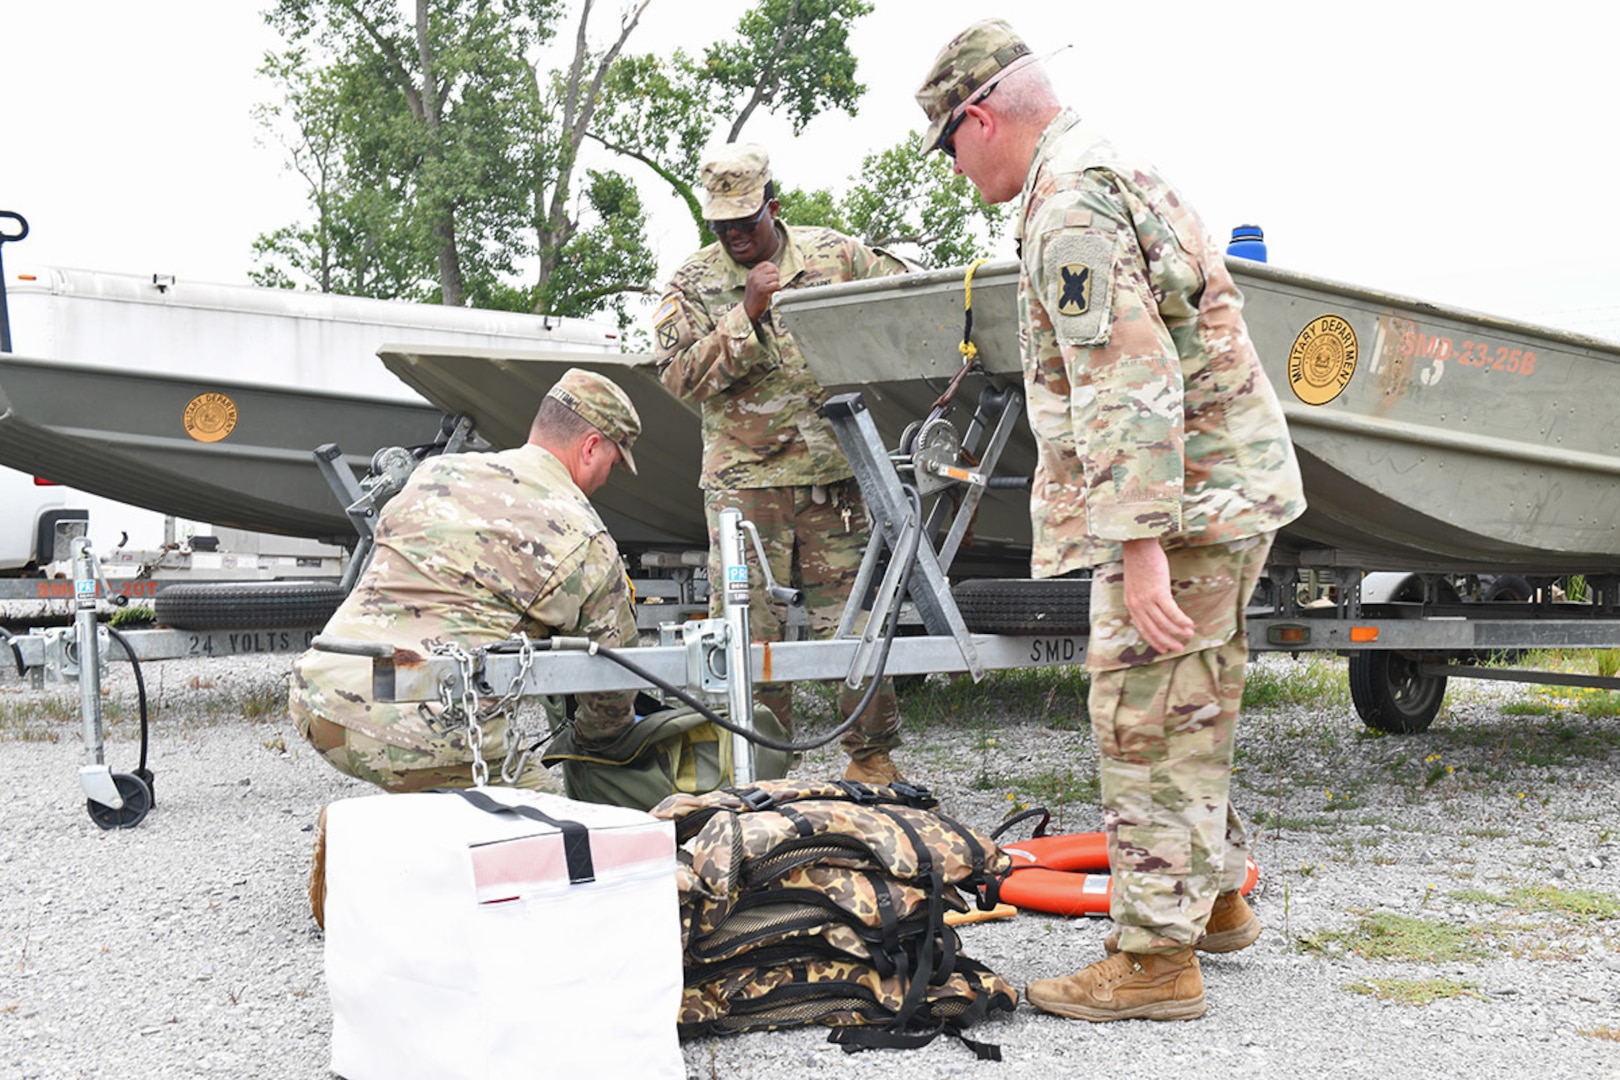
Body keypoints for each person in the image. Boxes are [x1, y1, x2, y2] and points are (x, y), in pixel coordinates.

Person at [915, 21, 1307, 1022]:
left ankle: (1152, 965)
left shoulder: (1068, 206)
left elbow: (1128, 378)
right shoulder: (1114, 168)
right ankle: (1214, 905)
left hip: (1179, 509)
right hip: (1220, 490)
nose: (955, 169)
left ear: (981, 116)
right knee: (1193, 705)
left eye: (949, 146)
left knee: (1144, 720)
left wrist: (1137, 552)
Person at [652, 143, 912, 785]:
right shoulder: (693, 283)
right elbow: (677, 377)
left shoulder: (836, 256)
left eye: (748, 221)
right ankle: (761, 770)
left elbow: (906, 291)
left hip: (834, 482)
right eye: (723, 226)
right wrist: (746, 315)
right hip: (746, 490)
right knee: (748, 637)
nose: (737, 235)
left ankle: (871, 759)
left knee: (852, 627)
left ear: (774, 206)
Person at [289, 367, 643, 795]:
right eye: (612, 463)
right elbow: (611, 685)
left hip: (319, 697)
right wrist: (595, 746)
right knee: (560, 833)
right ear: (590, 447)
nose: (607, 479)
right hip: (420, 729)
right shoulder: (584, 537)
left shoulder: (435, 474)